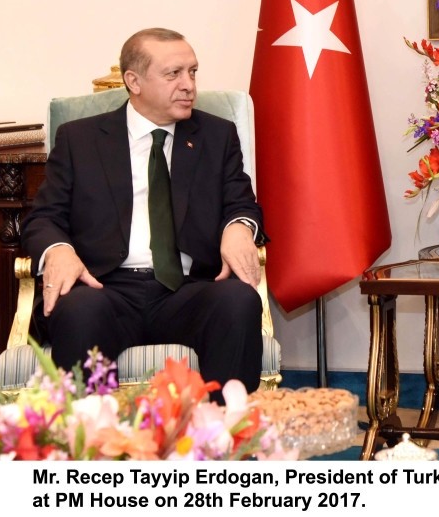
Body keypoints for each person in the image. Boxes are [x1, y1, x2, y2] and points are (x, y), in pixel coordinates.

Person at [22, 28, 266, 398]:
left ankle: (222, 440)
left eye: (193, 72)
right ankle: (88, 442)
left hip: (187, 292)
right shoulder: (80, 140)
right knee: (79, 311)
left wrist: (238, 227)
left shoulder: (216, 136)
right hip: (106, 289)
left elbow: (241, 202)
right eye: (174, 74)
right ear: (133, 81)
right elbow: (43, 217)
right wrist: (58, 249)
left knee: (238, 301)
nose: (188, 85)